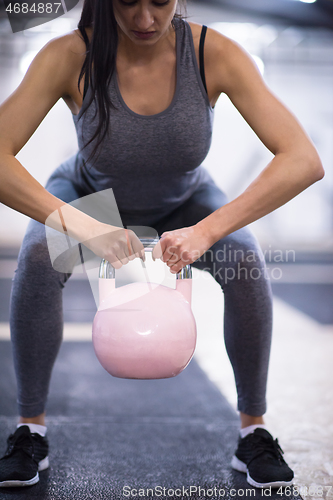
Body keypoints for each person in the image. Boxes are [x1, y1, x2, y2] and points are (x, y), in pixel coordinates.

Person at [0, 0, 324, 490]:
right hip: (93, 197)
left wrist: (207, 231)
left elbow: (303, 159)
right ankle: (29, 430)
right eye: (129, 1)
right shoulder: (70, 56)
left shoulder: (213, 53)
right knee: (40, 255)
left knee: (245, 258)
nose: (146, 19)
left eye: (160, 1)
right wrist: (86, 228)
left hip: (186, 199)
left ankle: (253, 431)